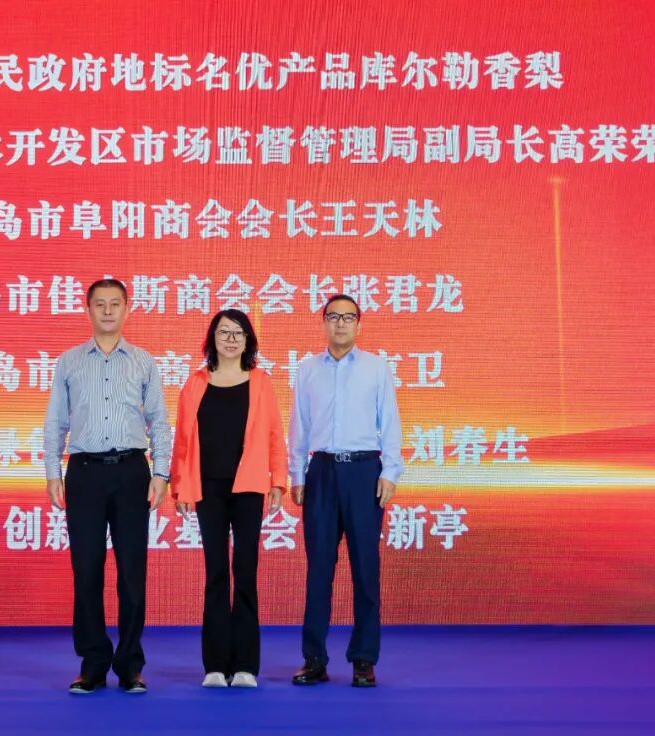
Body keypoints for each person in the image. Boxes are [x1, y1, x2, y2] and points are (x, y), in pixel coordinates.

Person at [43, 278, 172, 695]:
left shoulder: (143, 361)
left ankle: (130, 664)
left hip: (132, 471)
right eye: (100, 304)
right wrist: (52, 472)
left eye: (115, 304)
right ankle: (93, 663)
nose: (108, 311)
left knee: (132, 572)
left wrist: (161, 473)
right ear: (88, 310)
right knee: (87, 570)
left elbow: (159, 420)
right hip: (84, 473)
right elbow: (56, 421)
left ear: (127, 309)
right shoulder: (69, 362)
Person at [287, 294, 403, 688]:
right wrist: (297, 474)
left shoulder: (376, 368)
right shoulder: (307, 370)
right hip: (321, 472)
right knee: (319, 570)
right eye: (333, 317)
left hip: (365, 472)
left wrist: (390, 471)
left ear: (359, 324)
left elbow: (390, 422)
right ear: (323, 322)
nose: (340, 324)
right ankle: (314, 659)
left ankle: (364, 659)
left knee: (365, 569)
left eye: (348, 317)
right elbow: (299, 425)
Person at [170, 309, 287, 689]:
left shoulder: (260, 382)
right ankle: (216, 665)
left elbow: (274, 435)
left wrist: (278, 481)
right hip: (209, 488)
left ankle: (246, 665)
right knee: (216, 573)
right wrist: (179, 485)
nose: (231, 339)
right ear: (212, 339)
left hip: (249, 487)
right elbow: (183, 440)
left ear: (248, 340)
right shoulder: (195, 383)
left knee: (246, 573)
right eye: (224, 332)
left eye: (238, 333)